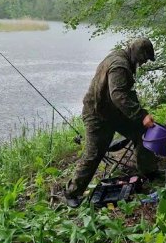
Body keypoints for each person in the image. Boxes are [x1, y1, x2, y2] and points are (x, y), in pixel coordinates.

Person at [64, 38, 159, 208]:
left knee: (141, 132)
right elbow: (119, 96)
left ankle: (148, 172)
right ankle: (72, 192)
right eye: (144, 58)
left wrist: (140, 119)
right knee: (93, 154)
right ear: (138, 53)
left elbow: (118, 99)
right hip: (97, 115)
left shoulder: (123, 58)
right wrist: (141, 115)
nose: (144, 62)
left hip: (113, 112)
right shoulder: (120, 65)